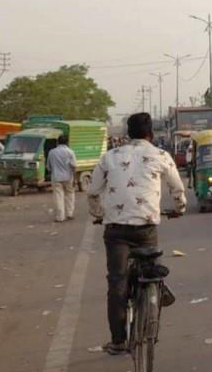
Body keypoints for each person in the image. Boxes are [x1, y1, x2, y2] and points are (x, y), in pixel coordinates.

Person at [87, 112, 187, 355]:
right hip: (146, 228)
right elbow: (177, 189)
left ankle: (119, 341)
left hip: (116, 230)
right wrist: (179, 209)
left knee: (117, 283)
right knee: (152, 271)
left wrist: (98, 214)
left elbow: (92, 191)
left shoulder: (109, 157)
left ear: (127, 134)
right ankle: (156, 296)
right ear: (150, 134)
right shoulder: (161, 154)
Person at [47, 135, 77, 222]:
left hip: (56, 177)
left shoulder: (51, 152)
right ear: (67, 142)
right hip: (68, 177)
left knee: (58, 197)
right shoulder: (70, 152)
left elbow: (49, 167)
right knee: (70, 195)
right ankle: (70, 214)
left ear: (57, 142)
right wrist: (75, 179)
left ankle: (60, 217)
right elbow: (74, 166)